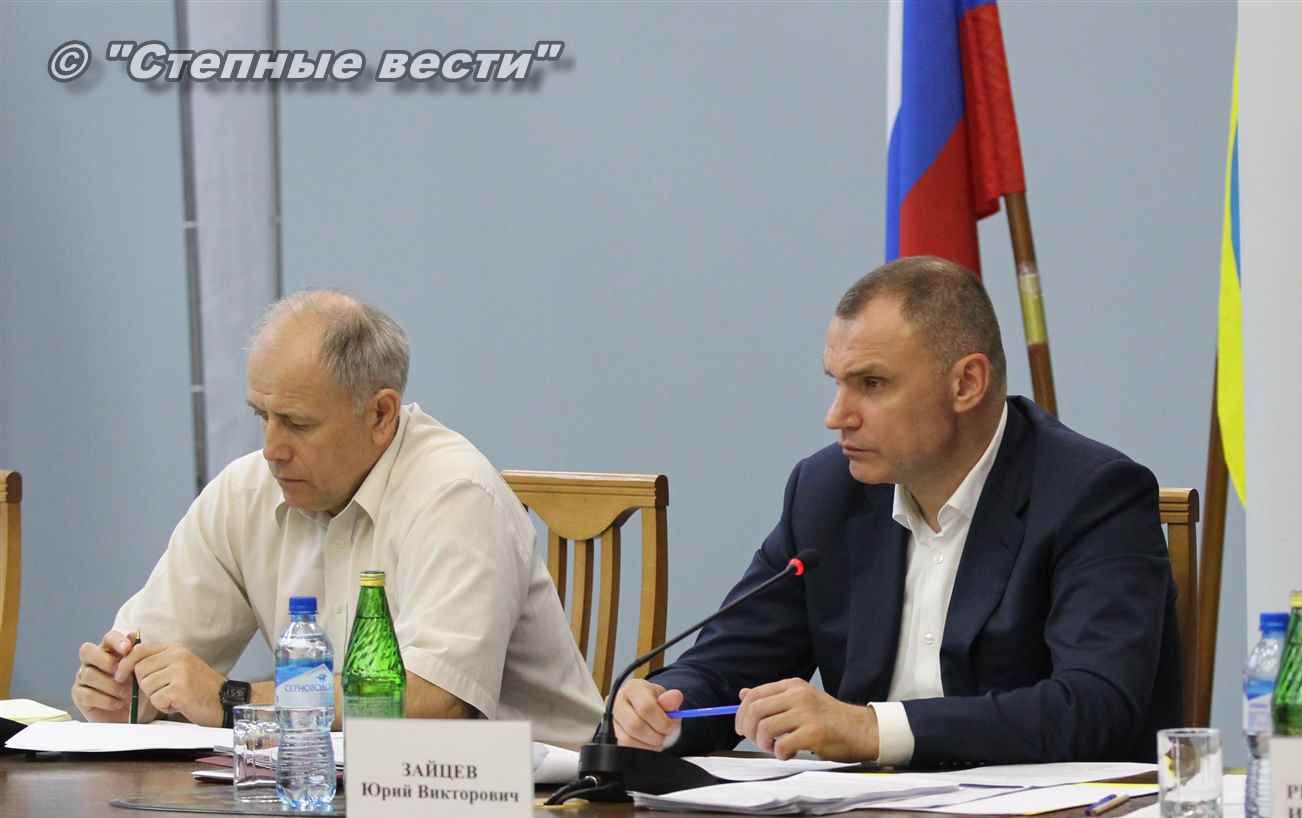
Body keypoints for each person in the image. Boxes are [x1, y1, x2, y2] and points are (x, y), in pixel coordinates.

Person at [612, 256, 1182, 766]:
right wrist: (663, 711)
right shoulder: (826, 491)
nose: (837, 416)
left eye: (872, 383)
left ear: (966, 383)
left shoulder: (1091, 495)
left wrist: (873, 730)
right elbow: (730, 662)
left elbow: (1094, 705)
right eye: (837, 383)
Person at [70, 290, 603, 747]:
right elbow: (155, 659)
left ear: (380, 414)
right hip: (341, 792)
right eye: (262, 417)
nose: (272, 449)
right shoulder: (246, 491)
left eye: (297, 424)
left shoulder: (456, 494)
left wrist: (233, 700)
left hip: (538, 805)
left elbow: (434, 700)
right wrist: (127, 689)